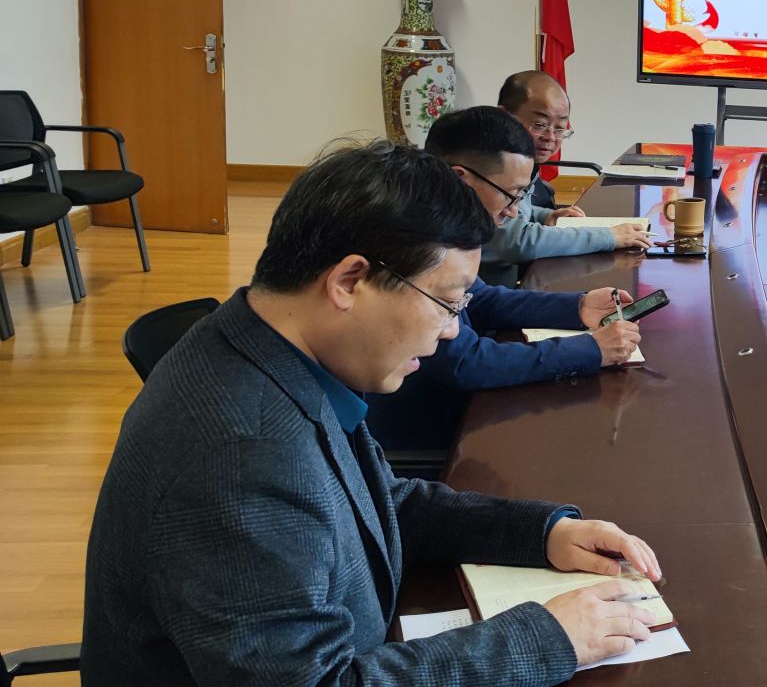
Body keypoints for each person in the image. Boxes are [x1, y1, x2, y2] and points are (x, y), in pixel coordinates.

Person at [83, 140, 665, 685]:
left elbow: (375, 500)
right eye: (447, 302)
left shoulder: (266, 347)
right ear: (349, 280)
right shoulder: (243, 456)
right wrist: (545, 639)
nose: (452, 330)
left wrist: (541, 533)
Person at [365, 106, 642, 456]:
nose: (513, 210)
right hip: (427, 428)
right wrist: (591, 350)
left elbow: (482, 299)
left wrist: (577, 306)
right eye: (510, 194)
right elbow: (467, 363)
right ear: (462, 179)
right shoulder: (414, 241)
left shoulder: (440, 225)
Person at [488, 70, 650, 280]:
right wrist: (609, 237)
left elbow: (514, 211)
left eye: (560, 128)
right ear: (504, 117)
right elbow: (517, 241)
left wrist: (545, 216)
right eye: (540, 125)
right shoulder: (489, 165)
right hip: (486, 294)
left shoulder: (521, 158)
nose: (550, 137)